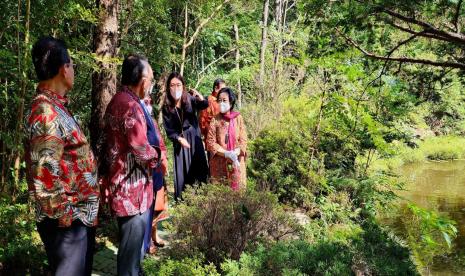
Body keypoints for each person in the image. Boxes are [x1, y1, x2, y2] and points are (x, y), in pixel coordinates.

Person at [25, 36, 99, 276]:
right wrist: (68, 219)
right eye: (72, 64)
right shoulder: (46, 112)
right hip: (66, 224)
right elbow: (45, 175)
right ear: (62, 68)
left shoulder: (56, 107)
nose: (74, 70)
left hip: (75, 220)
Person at [101, 54, 159, 275]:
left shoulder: (117, 100)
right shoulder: (130, 106)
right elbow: (141, 149)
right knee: (129, 257)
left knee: (130, 253)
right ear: (143, 80)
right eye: (152, 79)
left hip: (122, 187)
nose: (151, 84)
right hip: (132, 193)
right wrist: (158, 156)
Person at [162, 72, 209, 200]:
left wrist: (200, 97)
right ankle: (184, 201)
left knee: (199, 167)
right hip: (179, 140)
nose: (175, 88)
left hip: (194, 136)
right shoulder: (166, 106)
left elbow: (204, 105)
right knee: (183, 171)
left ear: (183, 86)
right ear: (168, 87)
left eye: (178, 85)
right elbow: (168, 129)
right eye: (172, 85)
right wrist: (178, 138)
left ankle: (203, 197)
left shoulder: (189, 98)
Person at [139, 96, 169, 256]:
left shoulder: (152, 121)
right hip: (145, 171)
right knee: (146, 208)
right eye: (145, 102)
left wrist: (164, 158)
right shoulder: (137, 121)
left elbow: (160, 143)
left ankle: (153, 234)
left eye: (150, 103)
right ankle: (146, 241)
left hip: (158, 169)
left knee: (157, 207)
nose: (148, 105)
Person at [206, 87, 248, 190]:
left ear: (231, 101)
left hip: (236, 162)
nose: (221, 103)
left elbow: (243, 139)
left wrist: (237, 151)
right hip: (219, 163)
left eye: (224, 100)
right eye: (219, 100)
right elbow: (210, 142)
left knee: (238, 192)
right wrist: (226, 153)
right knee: (221, 194)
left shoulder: (238, 118)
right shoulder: (215, 120)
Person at [199, 78, 226, 145]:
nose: (224, 92)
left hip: (223, 135)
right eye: (222, 89)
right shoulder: (208, 101)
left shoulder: (223, 101)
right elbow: (203, 121)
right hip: (211, 137)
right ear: (216, 88)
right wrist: (203, 136)